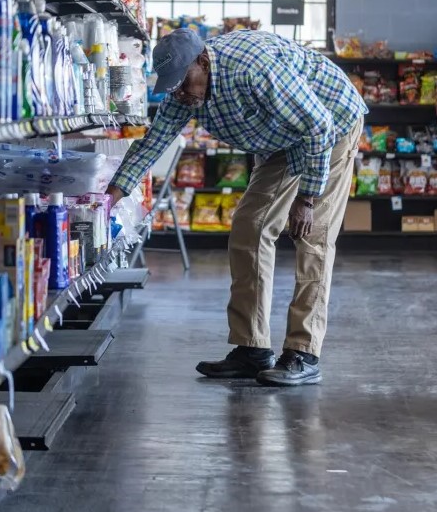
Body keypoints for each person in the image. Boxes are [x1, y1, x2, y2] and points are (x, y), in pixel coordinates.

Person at [106, 28, 366, 386]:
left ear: (203, 61)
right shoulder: (184, 94)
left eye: (184, 82)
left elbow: (318, 126)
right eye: (173, 86)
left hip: (331, 127)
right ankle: (252, 348)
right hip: (283, 139)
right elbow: (152, 145)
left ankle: (304, 352)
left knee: (313, 236)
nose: (180, 93)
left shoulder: (252, 71)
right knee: (249, 227)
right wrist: (108, 198)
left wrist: (307, 199)